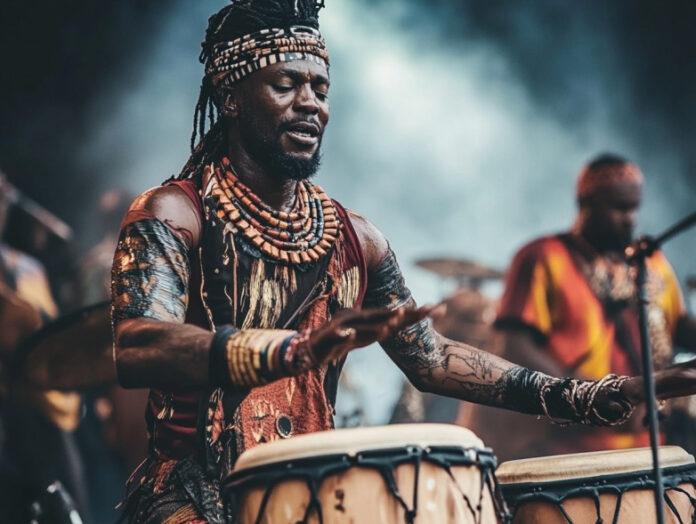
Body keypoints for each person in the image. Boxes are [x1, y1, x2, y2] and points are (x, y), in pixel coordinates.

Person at [110, 3, 695, 522]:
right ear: (231, 95)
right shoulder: (173, 213)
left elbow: (432, 358)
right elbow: (138, 345)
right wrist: (291, 351)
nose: (310, 103)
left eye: (320, 88)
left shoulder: (354, 237)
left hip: (311, 488)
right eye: (287, 83)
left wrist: (588, 394)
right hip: (192, 496)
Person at [494, 153, 696, 456]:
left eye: (634, 208)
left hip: (650, 446)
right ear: (585, 203)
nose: (631, 218)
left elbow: (678, 326)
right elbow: (514, 347)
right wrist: (587, 396)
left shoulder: (650, 259)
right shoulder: (542, 256)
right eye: (619, 208)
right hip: (568, 452)